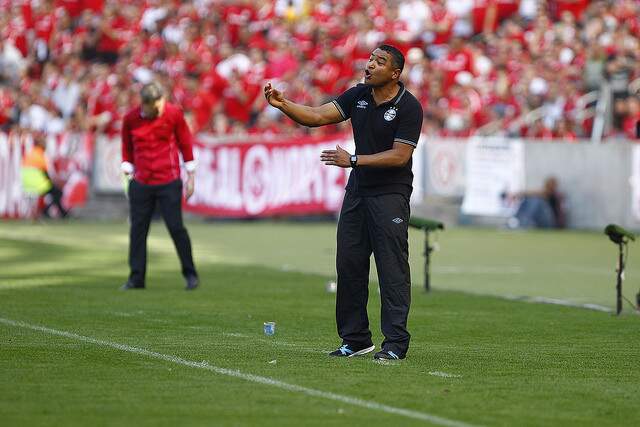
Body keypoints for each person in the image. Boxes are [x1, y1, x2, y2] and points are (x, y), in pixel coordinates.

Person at [264, 45, 423, 360]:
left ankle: (395, 344)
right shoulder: (359, 96)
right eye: (370, 59)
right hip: (358, 192)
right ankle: (356, 339)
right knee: (349, 265)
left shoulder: (409, 107)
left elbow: (399, 156)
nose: (370, 64)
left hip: (390, 194)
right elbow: (317, 116)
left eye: (380, 62)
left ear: (395, 73)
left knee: (392, 270)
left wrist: (352, 159)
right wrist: (284, 105)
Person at [120, 82, 199, 291]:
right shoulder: (130, 119)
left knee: (176, 228)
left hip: (168, 181)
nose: (159, 108)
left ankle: (190, 274)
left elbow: (185, 143)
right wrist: (127, 171)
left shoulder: (173, 114)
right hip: (142, 181)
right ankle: (136, 278)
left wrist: (191, 176)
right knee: (138, 230)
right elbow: (127, 147)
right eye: (155, 105)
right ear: (144, 104)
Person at [21, 133, 69, 219]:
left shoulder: (30, 153)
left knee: (53, 192)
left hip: (25, 183)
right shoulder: (41, 155)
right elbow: (47, 173)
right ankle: (54, 212)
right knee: (57, 192)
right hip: (37, 183)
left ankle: (47, 211)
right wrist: (54, 183)